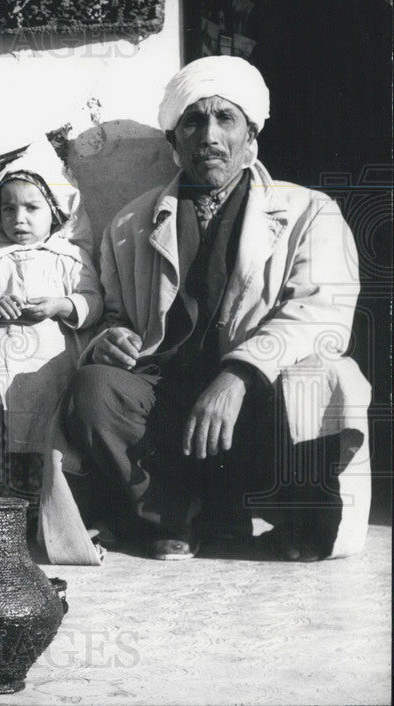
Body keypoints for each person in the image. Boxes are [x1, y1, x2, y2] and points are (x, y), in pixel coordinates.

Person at [64, 55, 372, 561]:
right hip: (167, 395)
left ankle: (297, 519)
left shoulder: (310, 211)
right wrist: (110, 338)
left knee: (323, 375)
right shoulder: (128, 224)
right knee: (95, 388)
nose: (209, 135)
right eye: (193, 121)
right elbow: (113, 312)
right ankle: (169, 516)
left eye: (225, 119)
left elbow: (323, 316)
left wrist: (238, 375)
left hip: (259, 395)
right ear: (174, 142)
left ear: (250, 139)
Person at [0, 136, 103, 563]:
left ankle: (59, 529)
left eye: (31, 208)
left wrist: (62, 305)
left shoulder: (69, 259)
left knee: (52, 447)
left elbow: (93, 303)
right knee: (5, 449)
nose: (19, 218)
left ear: (54, 212)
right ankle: (8, 533)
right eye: (9, 208)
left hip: (49, 376)